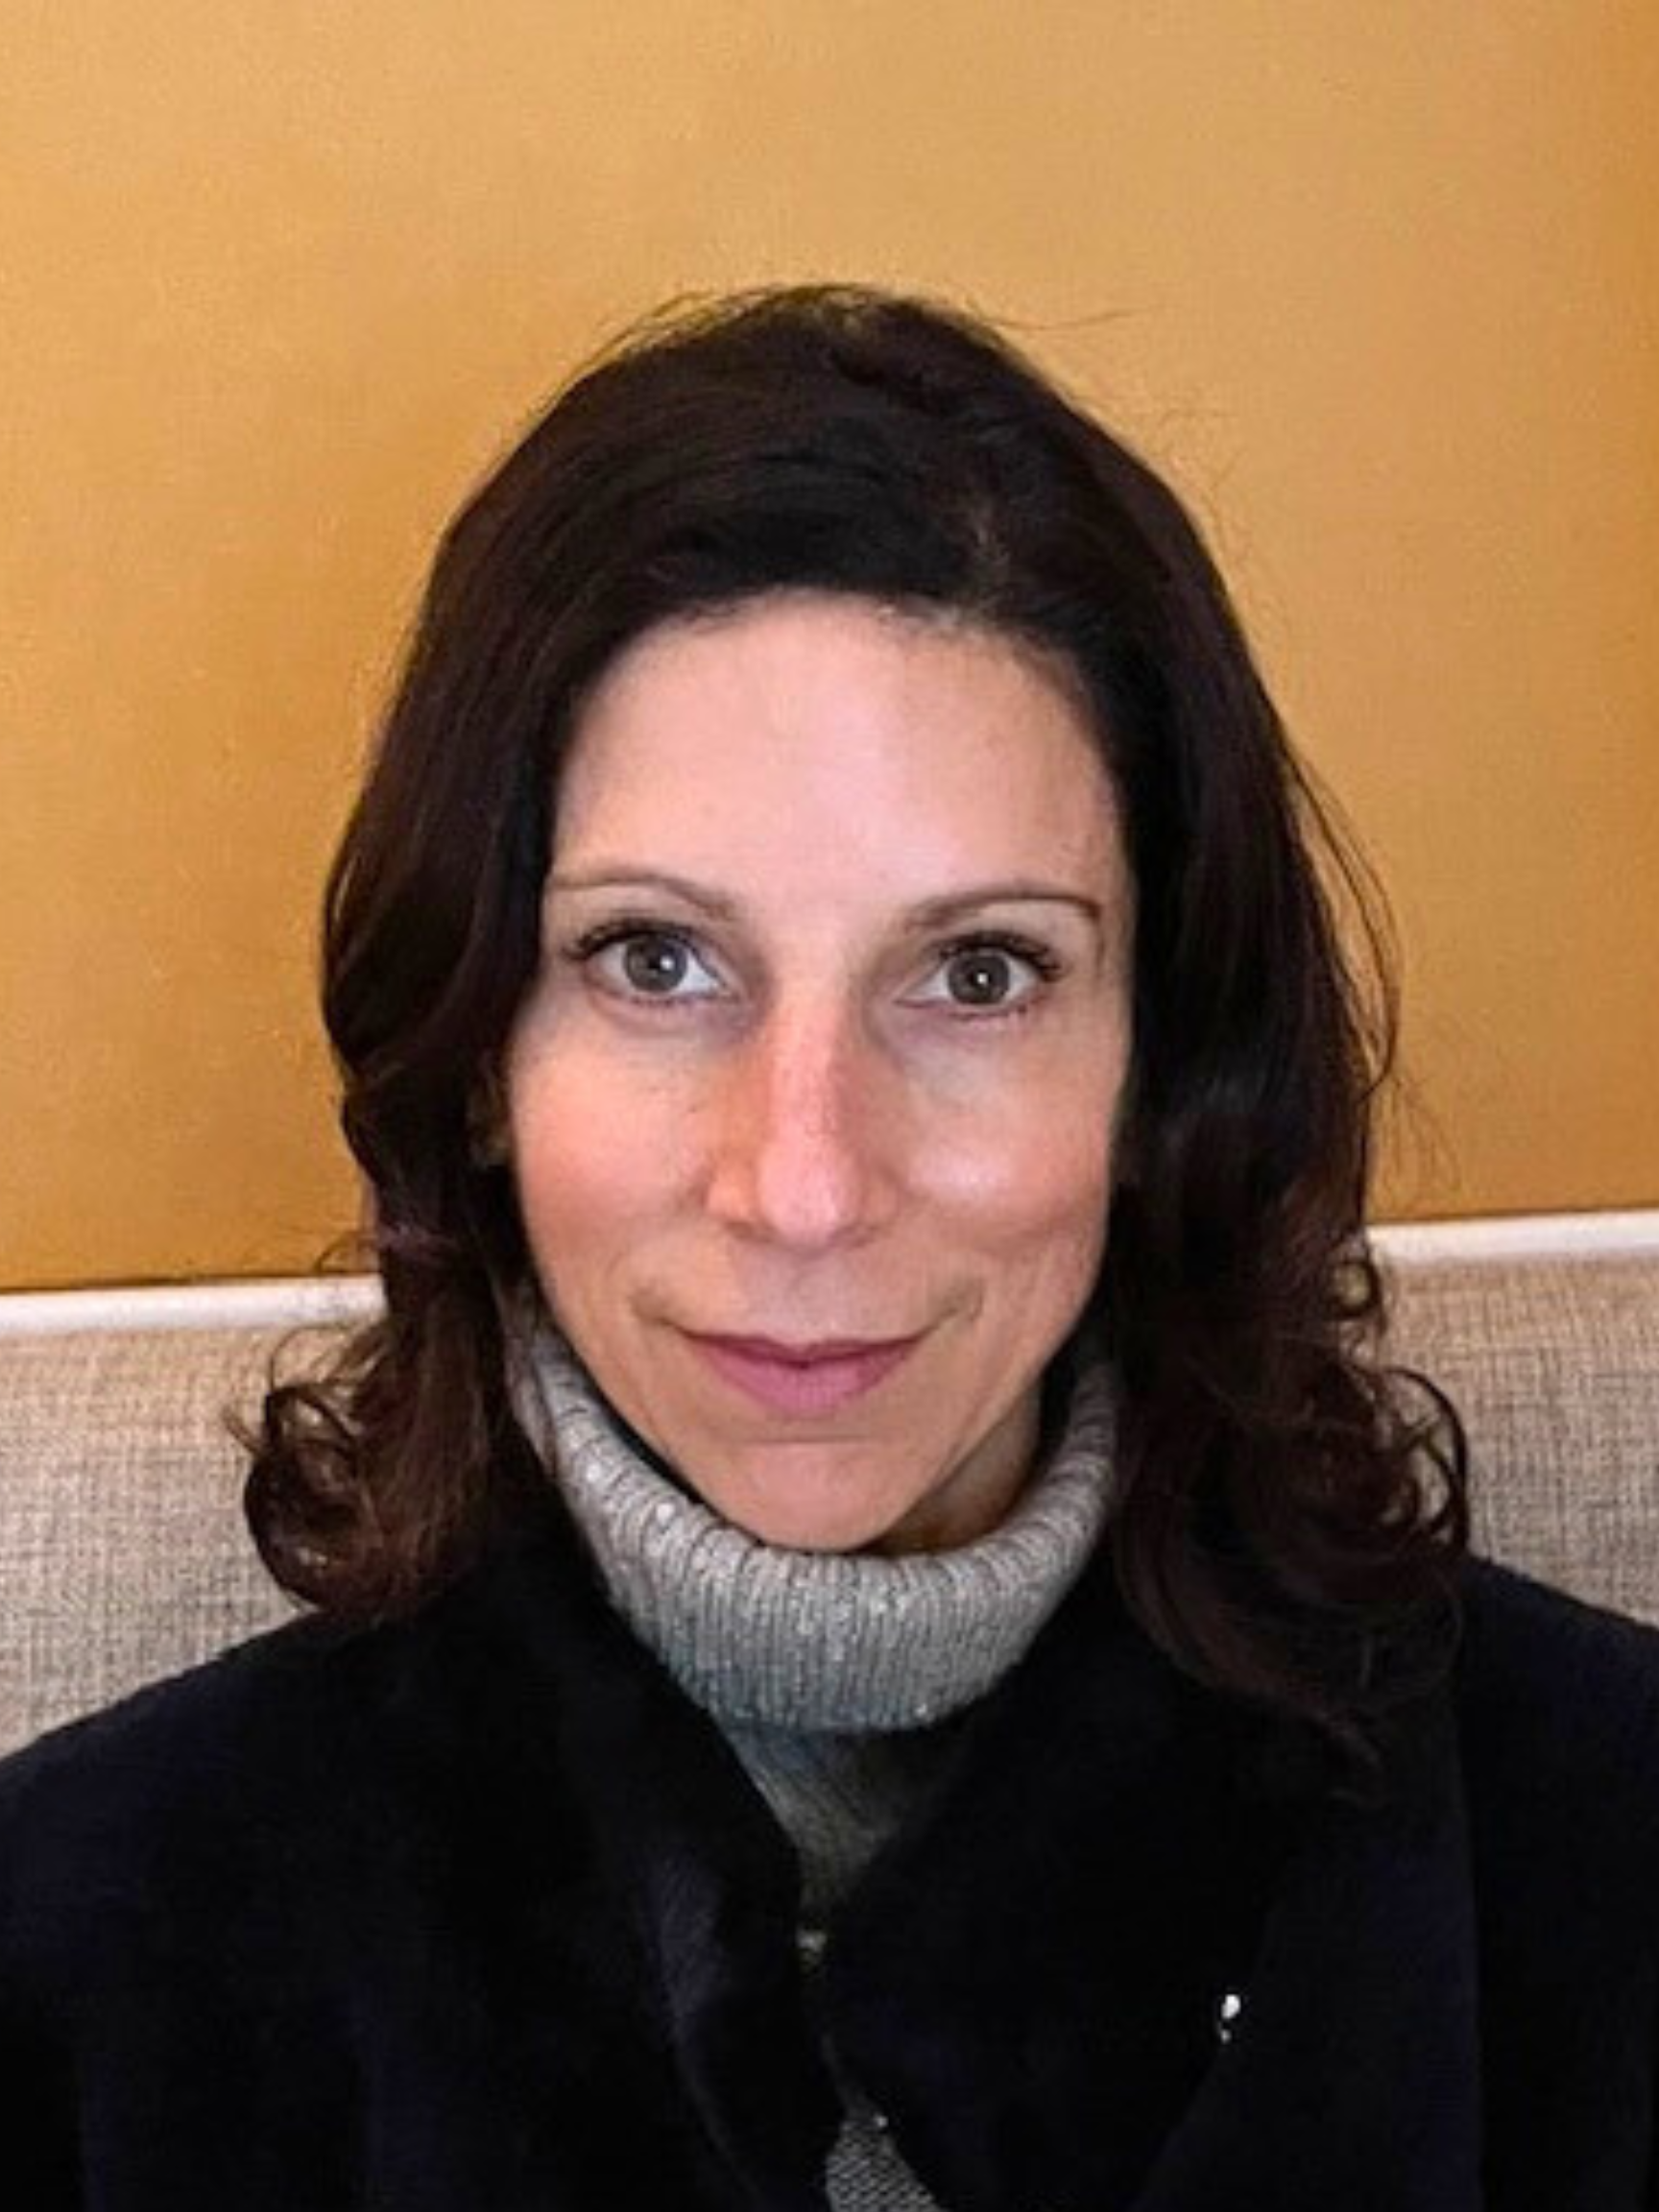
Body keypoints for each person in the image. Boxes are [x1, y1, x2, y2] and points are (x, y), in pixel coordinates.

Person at [2, 286, 1657, 2212]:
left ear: (1162, 1069)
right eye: (655, 961)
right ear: (478, 1060)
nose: (803, 1185)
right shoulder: (77, 1963)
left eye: (981, 973)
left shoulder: (1602, 1853)